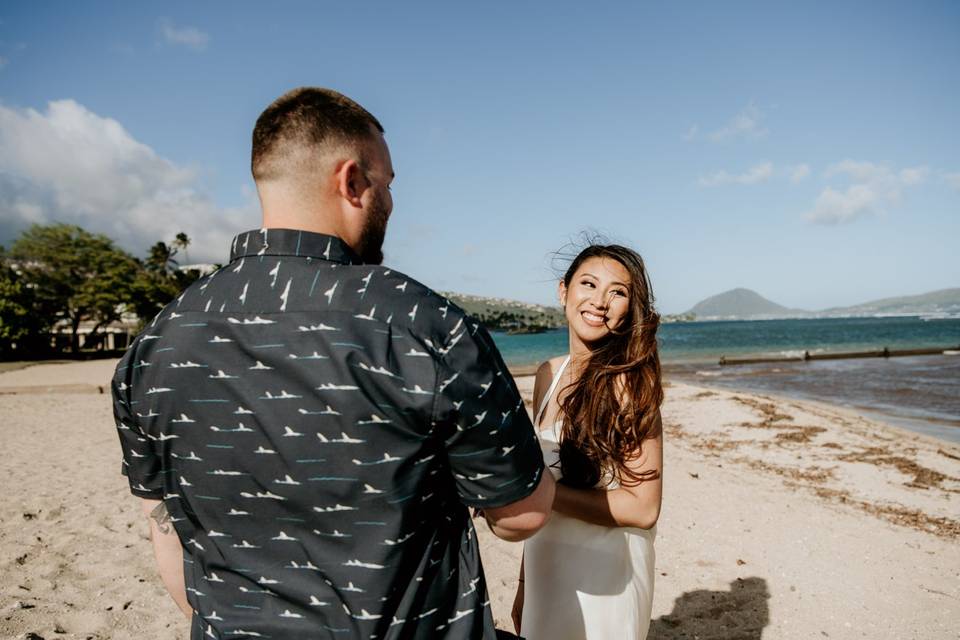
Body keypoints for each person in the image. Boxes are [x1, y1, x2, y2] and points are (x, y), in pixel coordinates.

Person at [112, 87, 555, 640]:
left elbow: (165, 527)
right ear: (351, 182)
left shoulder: (156, 343)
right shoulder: (425, 325)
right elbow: (522, 517)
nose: (390, 202)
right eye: (386, 185)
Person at [512, 244, 664, 639]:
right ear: (564, 291)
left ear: (630, 308)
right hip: (547, 565)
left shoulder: (631, 386)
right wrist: (524, 585)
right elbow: (541, 479)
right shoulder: (548, 374)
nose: (600, 301)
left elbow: (643, 508)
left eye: (618, 292)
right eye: (589, 284)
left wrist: (541, 493)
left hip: (608, 573)